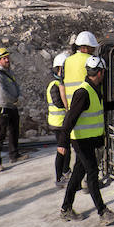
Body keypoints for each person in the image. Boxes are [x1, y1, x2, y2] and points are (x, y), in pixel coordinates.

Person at [58, 55, 114, 225]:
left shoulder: (93, 89)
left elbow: (98, 107)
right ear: (100, 72)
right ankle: (103, 212)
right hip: (81, 141)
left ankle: (65, 209)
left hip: (88, 140)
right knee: (92, 173)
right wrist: (62, 143)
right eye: (104, 72)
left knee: (77, 175)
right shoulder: (83, 92)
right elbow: (70, 119)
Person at [0, 47, 27, 172]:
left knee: (14, 131)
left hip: (12, 106)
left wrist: (19, 96)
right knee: (0, 134)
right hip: (3, 107)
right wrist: (14, 100)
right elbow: (2, 93)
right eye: (4, 58)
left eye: (7, 57)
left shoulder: (8, 72)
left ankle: (14, 155)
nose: (7, 60)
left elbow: (16, 86)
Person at [47, 52, 71, 187]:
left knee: (66, 149)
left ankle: (66, 171)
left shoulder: (61, 84)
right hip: (58, 123)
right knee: (62, 150)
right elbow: (60, 103)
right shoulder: (55, 86)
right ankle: (59, 177)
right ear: (59, 69)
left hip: (63, 122)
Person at [62, 31, 98, 107]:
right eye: (93, 48)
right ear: (86, 48)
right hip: (89, 104)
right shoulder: (92, 61)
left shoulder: (67, 61)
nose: (94, 50)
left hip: (71, 105)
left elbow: (61, 84)